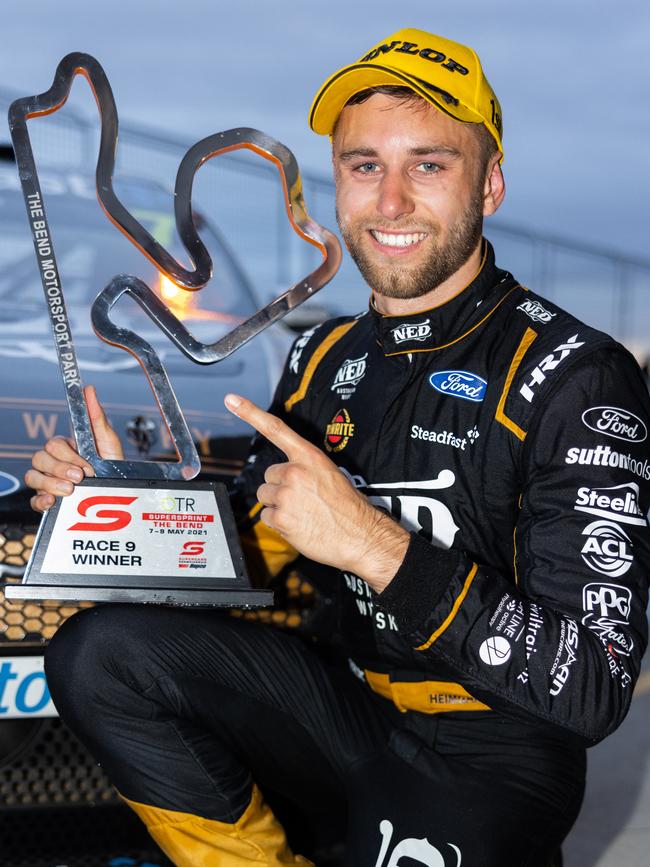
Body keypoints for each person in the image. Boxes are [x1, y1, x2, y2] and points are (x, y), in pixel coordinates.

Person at [26, 27, 650, 867]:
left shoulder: (576, 375)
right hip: (341, 712)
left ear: (490, 184)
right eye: (364, 166)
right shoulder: (324, 357)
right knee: (103, 654)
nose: (390, 201)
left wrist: (371, 542)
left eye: (428, 165)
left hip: (493, 753)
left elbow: (593, 685)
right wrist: (122, 505)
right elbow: (251, 556)